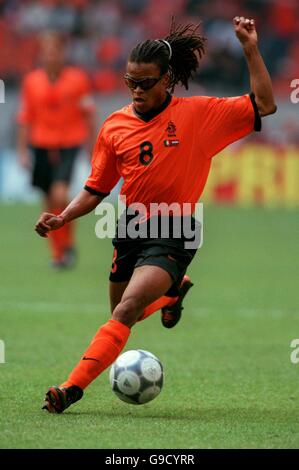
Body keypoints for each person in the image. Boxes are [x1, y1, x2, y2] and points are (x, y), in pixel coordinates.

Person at [35, 17, 276, 413]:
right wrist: (64, 217)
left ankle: (69, 389)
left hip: (175, 228)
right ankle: (173, 292)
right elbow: (97, 188)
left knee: (127, 308)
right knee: (119, 315)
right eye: (130, 81)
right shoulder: (114, 126)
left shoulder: (200, 115)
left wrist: (250, 47)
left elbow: (264, 103)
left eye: (145, 82)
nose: (136, 89)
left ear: (167, 79)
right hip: (129, 227)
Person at [18, 31, 96, 269]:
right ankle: (58, 252)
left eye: (55, 50)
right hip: (40, 144)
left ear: (63, 53)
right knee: (47, 199)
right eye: (47, 51)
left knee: (60, 195)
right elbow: (26, 118)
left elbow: (88, 115)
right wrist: (22, 150)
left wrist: (92, 148)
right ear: (42, 54)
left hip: (68, 143)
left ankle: (68, 244)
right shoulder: (31, 81)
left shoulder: (78, 80)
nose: (51, 55)